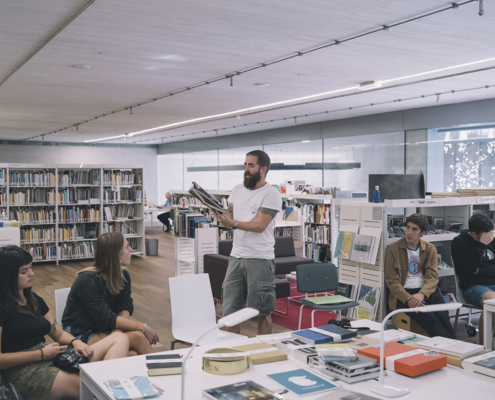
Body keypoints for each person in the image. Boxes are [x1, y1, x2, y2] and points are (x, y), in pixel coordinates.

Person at [0, 245, 130, 400]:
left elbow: (59, 333)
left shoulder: (34, 300)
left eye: (31, 268)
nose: (31, 274)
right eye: (24, 271)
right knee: (97, 384)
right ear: (7, 276)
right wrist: (40, 354)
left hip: (53, 357)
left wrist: (76, 342)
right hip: (24, 370)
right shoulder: (2, 307)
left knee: (120, 339)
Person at [214, 150, 282, 335]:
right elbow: (230, 219)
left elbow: (260, 225)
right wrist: (220, 216)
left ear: (263, 169)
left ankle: (263, 350)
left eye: (251, 165)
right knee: (230, 311)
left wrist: (233, 223)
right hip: (236, 257)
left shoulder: (271, 193)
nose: (246, 169)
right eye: (245, 165)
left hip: (260, 258)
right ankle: (231, 350)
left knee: (262, 311)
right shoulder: (237, 190)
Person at [62, 232, 160, 355]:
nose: (130, 249)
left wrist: (117, 333)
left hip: (105, 329)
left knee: (132, 354)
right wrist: (142, 326)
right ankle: (162, 369)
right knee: (138, 337)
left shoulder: (123, 275)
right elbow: (105, 318)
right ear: (116, 255)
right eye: (127, 247)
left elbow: (124, 305)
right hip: (79, 334)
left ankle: (157, 370)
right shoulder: (87, 280)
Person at [385, 213, 456, 338]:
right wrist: (409, 298)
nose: (409, 232)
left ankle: (455, 346)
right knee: (430, 319)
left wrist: (421, 294)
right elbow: (392, 281)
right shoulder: (393, 249)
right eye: (407, 227)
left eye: (414, 229)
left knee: (443, 316)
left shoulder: (430, 249)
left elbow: (432, 277)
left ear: (422, 233)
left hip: (426, 291)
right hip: (405, 294)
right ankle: (452, 348)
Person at [451, 212, 495, 344]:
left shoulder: (491, 239)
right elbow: (470, 269)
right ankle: (484, 348)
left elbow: (476, 270)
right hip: (473, 287)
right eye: (486, 235)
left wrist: (481, 271)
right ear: (475, 234)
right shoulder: (459, 242)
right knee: (493, 303)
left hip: (491, 283)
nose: (490, 237)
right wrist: (481, 245)